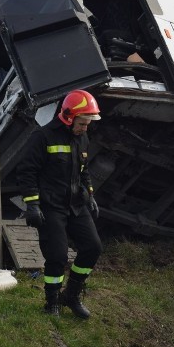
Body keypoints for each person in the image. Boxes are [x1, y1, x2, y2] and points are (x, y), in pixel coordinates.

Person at [16, 89, 103, 319]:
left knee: (93, 247)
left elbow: (84, 171)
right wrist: (32, 205)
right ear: (68, 116)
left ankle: (71, 296)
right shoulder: (42, 137)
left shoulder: (82, 138)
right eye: (82, 123)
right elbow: (27, 172)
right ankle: (51, 302)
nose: (85, 128)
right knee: (57, 256)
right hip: (50, 206)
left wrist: (90, 195)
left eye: (88, 124)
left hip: (76, 204)